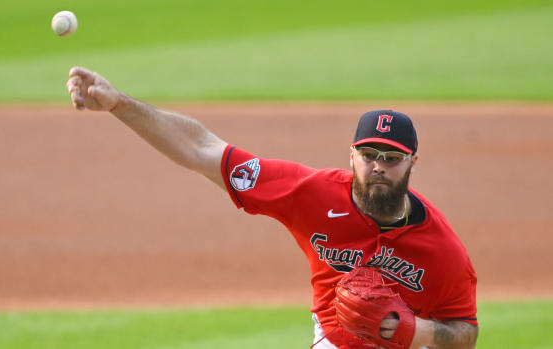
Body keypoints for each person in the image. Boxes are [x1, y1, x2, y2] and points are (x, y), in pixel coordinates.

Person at [66, 67, 479, 349]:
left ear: (412, 163)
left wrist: (411, 330)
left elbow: (466, 331)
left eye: (392, 158)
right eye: (369, 154)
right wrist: (120, 104)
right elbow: (203, 149)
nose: (378, 167)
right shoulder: (310, 194)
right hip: (335, 340)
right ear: (351, 155)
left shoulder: (441, 248)